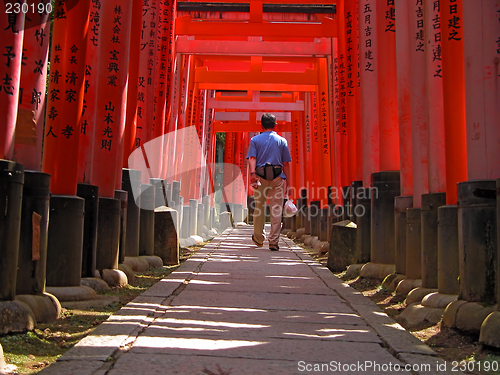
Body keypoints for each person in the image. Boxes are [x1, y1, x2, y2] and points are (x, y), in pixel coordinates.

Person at [246, 113, 292, 251]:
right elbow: (286, 163)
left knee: (259, 208)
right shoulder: (282, 141)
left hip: (260, 176)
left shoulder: (255, 140)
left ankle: (259, 238)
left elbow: (252, 158)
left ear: (261, 125)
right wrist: (289, 182)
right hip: (277, 177)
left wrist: (253, 173)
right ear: (275, 125)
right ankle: (273, 241)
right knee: (276, 209)